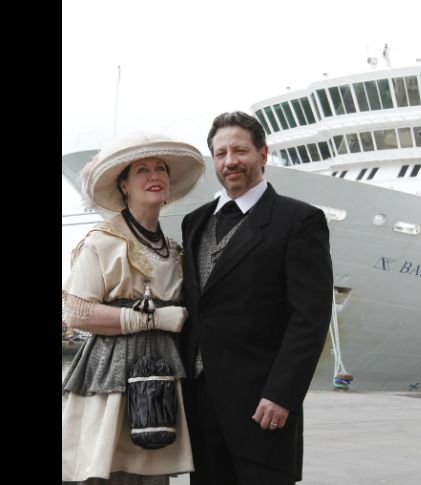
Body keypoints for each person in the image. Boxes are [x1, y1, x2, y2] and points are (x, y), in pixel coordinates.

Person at [180, 111, 333, 484]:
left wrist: (282, 394)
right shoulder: (194, 222)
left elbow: (309, 317)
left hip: (261, 404)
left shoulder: (299, 221)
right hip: (198, 401)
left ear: (263, 155)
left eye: (240, 150)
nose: (230, 161)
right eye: (220, 153)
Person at [62, 133, 205, 484]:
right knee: (110, 469)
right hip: (111, 377)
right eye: (142, 169)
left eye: (161, 169)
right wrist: (154, 317)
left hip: (163, 374)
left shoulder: (173, 250)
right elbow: (78, 314)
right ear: (124, 184)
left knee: (152, 472)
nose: (154, 176)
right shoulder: (102, 241)